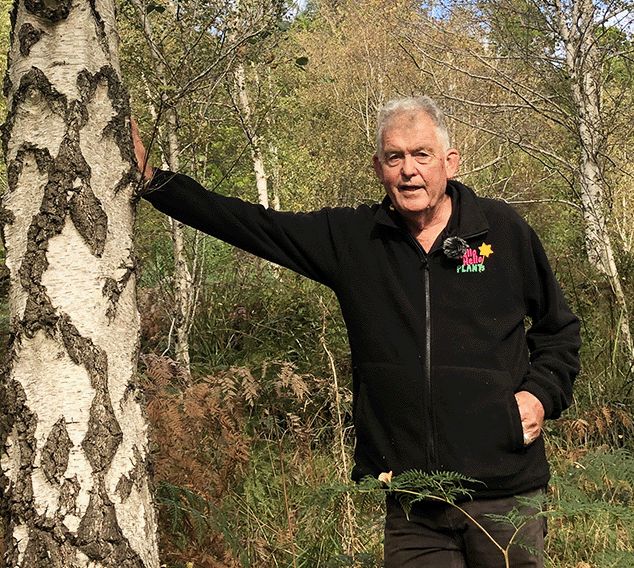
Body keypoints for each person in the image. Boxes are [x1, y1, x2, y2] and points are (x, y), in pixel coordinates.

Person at [133, 96, 581, 568]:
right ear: (378, 168)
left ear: (450, 163)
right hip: (412, 501)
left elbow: (559, 329)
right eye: (395, 157)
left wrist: (539, 396)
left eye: (421, 155)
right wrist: (155, 182)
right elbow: (250, 225)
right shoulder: (354, 240)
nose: (409, 170)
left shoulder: (501, 233)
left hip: (504, 492)